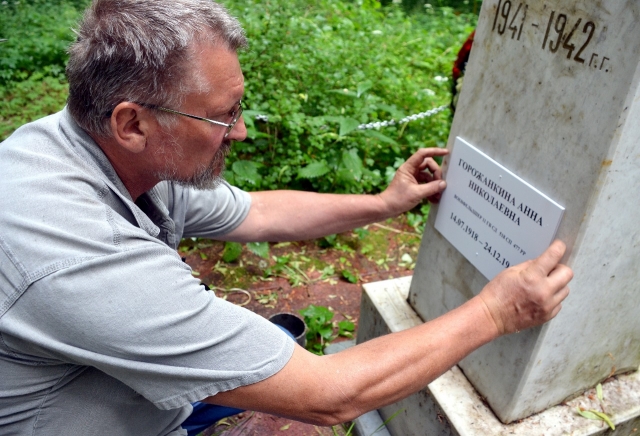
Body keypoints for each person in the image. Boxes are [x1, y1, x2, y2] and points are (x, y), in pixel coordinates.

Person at [0, 1, 573, 435]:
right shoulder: (77, 253)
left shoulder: (104, 147)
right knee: (283, 365)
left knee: (267, 348)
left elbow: (256, 211)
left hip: (126, 389)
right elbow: (329, 395)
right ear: (133, 124)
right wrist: (498, 311)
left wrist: (384, 204)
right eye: (225, 117)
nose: (242, 132)